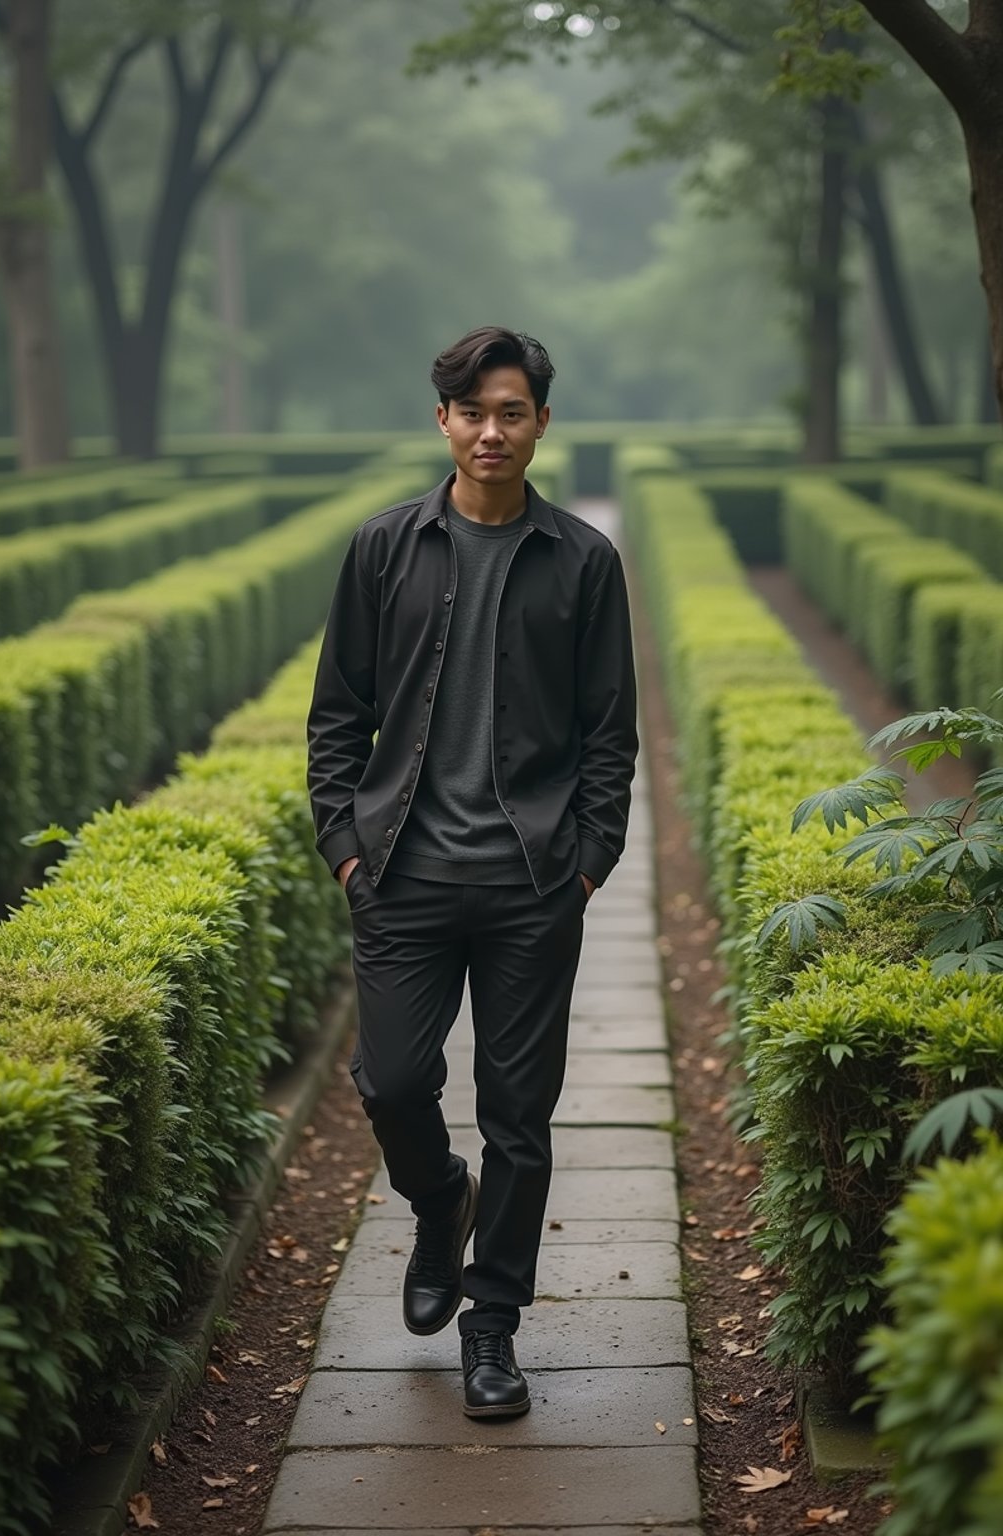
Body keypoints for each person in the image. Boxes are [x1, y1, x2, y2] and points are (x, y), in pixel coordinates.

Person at [306, 325, 638, 1418]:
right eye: (472, 411)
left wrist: (588, 860)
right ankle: (437, 1200)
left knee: (519, 1116)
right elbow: (338, 716)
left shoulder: (582, 561)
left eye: (512, 412)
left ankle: (491, 1328)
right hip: (398, 873)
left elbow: (608, 734)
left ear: (542, 421)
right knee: (394, 1083)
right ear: (441, 420)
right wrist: (345, 846)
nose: (491, 431)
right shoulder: (383, 549)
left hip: (532, 882)